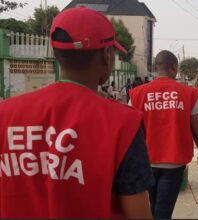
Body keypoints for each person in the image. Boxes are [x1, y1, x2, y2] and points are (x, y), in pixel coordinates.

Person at [0, 7, 154, 219]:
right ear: (107, 56)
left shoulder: (4, 114)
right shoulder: (123, 123)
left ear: (56, 53)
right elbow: (138, 213)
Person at [129, 50, 198, 219]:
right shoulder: (187, 93)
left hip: (146, 163)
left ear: (156, 67)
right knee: (163, 211)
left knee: (152, 208)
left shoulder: (137, 94)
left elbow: (130, 130)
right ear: (173, 67)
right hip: (174, 164)